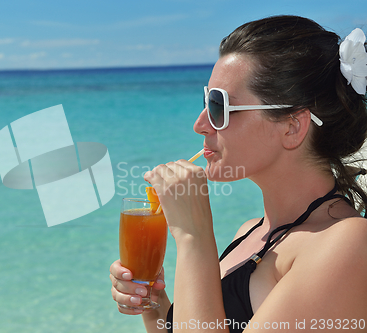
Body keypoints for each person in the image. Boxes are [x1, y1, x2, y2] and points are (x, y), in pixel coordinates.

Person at [109, 15, 367, 332]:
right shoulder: (250, 232)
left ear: (292, 126)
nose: (200, 124)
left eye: (219, 106)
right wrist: (152, 301)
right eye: (206, 100)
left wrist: (193, 237)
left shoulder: (348, 243)